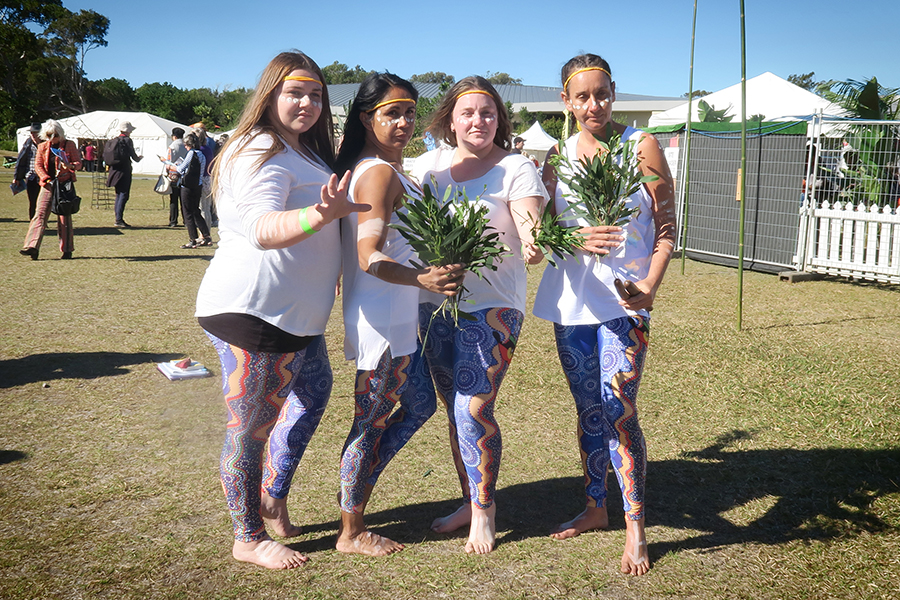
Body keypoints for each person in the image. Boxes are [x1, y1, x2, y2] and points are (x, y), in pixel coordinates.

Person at [194, 50, 366, 570]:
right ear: (269, 95)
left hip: (296, 317)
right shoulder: (259, 148)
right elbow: (263, 229)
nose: (308, 103)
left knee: (313, 392)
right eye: (296, 92)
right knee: (250, 427)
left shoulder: (304, 152)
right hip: (254, 314)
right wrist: (322, 214)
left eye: (316, 94)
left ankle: (272, 494)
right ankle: (247, 536)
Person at [532, 53, 676, 576]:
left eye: (602, 94)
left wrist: (649, 285)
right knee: (588, 410)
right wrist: (573, 235)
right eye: (582, 96)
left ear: (614, 93)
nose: (594, 105)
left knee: (618, 409)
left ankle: (635, 526)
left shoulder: (641, 146)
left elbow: (666, 226)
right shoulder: (557, 157)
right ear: (566, 102)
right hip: (571, 306)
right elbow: (542, 235)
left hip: (625, 304)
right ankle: (597, 505)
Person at [411, 76, 547, 554]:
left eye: (487, 113)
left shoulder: (516, 168)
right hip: (434, 306)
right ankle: (470, 500)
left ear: (499, 119)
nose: (478, 121)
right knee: (454, 412)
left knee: (472, 408)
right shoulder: (428, 167)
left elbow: (531, 224)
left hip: (494, 307)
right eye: (467, 112)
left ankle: (485, 512)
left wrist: (533, 243)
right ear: (449, 119)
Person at [333, 73, 465, 556]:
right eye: (393, 113)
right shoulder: (380, 172)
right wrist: (421, 279)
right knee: (368, 421)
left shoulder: (386, 169)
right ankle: (350, 529)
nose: (405, 121)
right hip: (382, 318)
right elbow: (369, 254)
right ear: (367, 118)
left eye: (410, 111)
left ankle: (356, 488)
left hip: (396, 314)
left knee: (420, 405)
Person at [20, 119, 82, 260]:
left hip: (64, 185)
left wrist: (70, 166)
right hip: (48, 184)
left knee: (64, 217)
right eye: (49, 135)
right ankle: (32, 247)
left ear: (60, 133)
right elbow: (38, 165)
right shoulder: (42, 147)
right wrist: (46, 178)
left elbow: (79, 163)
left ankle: (67, 250)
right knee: (39, 215)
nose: (52, 138)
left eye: (55, 135)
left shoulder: (69, 145)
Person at [168, 132, 211, 248]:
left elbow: (181, 169)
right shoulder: (201, 154)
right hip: (198, 185)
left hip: (187, 186)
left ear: (189, 144)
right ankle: (206, 235)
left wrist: (171, 166)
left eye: (186, 145)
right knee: (196, 210)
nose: (185, 147)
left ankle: (193, 239)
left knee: (187, 212)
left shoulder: (191, 153)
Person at [106, 121, 143, 227]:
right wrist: (139, 158)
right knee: (123, 194)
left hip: (114, 170)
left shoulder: (114, 140)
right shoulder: (127, 140)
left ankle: (118, 217)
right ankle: (119, 219)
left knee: (118, 194)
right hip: (124, 170)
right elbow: (133, 156)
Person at [13, 123, 42, 220]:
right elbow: (21, 160)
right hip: (31, 176)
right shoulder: (28, 144)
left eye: (35, 133)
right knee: (32, 201)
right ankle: (33, 221)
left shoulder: (46, 144)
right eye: (32, 133)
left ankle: (41, 221)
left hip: (43, 177)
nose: (33, 135)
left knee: (42, 202)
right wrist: (17, 177)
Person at [163, 127, 188, 226]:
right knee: (184, 199)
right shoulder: (186, 145)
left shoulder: (172, 147)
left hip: (174, 175)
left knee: (173, 199)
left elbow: (168, 162)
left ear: (174, 136)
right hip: (185, 174)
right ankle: (186, 220)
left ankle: (173, 221)